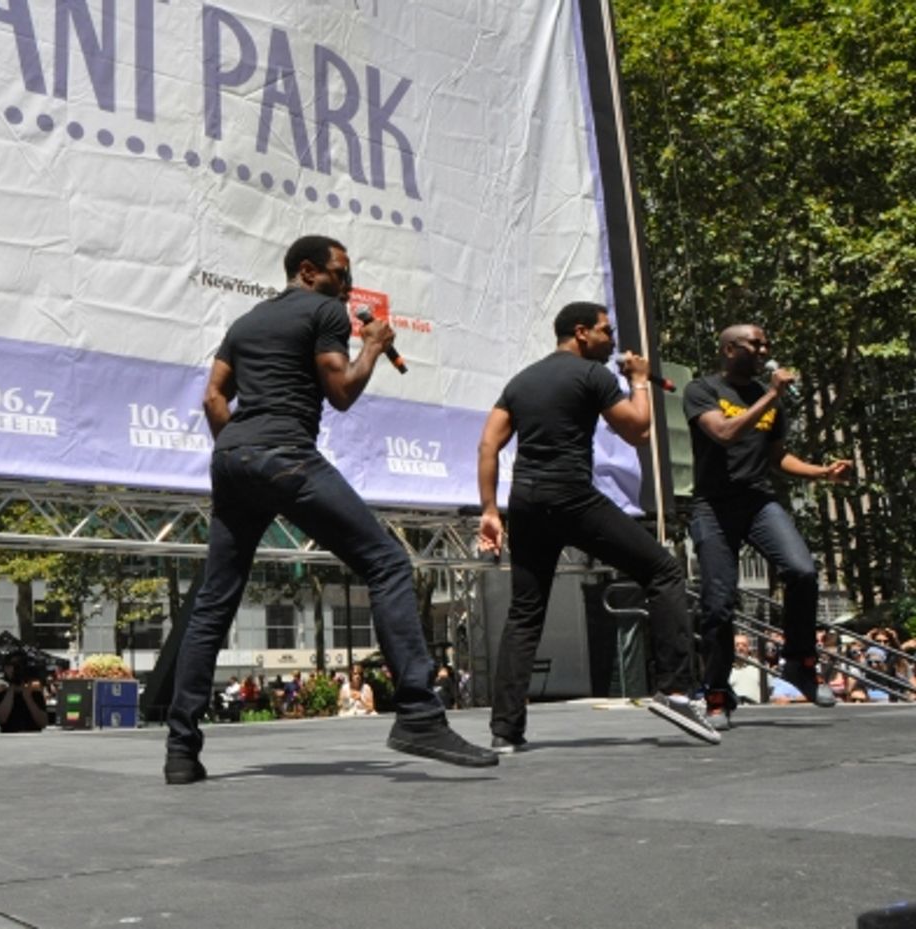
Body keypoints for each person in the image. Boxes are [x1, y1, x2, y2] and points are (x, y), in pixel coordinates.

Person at [164, 235, 497, 783]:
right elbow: (341, 390)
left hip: (232, 458)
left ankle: (181, 751)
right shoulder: (325, 312)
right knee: (387, 564)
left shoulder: (245, 322)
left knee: (213, 603)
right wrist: (373, 346)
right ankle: (419, 715)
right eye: (341, 274)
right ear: (308, 271)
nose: (348, 286)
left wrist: (243, 450)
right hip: (285, 454)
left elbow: (212, 397)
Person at [477, 301, 718, 751]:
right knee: (663, 571)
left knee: (525, 612)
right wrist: (639, 380)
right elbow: (638, 430)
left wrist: (490, 509)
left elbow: (488, 444)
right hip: (570, 495)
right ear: (581, 332)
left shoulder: (521, 381)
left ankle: (504, 731)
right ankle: (676, 691)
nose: (613, 341)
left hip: (525, 500)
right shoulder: (592, 375)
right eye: (607, 331)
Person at [684, 323, 853, 726]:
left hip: (759, 502)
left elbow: (777, 458)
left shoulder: (767, 396)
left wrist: (822, 472)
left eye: (767, 345)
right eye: (755, 344)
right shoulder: (702, 390)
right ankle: (717, 693)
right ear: (729, 349)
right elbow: (724, 432)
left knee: (802, 571)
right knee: (718, 604)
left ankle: (798, 662)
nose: (764, 350)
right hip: (713, 507)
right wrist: (772, 396)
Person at [0, 662, 48, 733]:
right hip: (9, 737)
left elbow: (43, 723)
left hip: (32, 736)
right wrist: (11, 690)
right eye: (11, 665)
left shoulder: (35, 695)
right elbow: (1, 719)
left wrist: (27, 696)